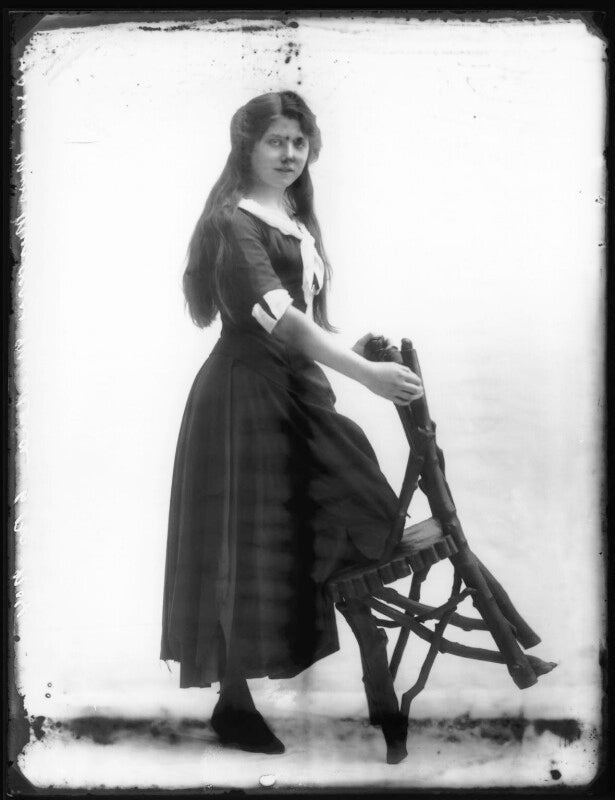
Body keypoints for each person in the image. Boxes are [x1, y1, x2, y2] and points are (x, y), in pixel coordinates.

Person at [160, 90, 423, 756]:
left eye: (298, 142)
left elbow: (305, 319)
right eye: (275, 141)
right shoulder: (232, 222)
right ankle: (234, 704)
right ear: (246, 146)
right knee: (246, 547)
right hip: (245, 400)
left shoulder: (294, 218)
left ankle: (372, 685)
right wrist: (362, 374)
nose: (288, 154)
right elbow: (277, 319)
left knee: (342, 517)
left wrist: (352, 354)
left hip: (293, 392)